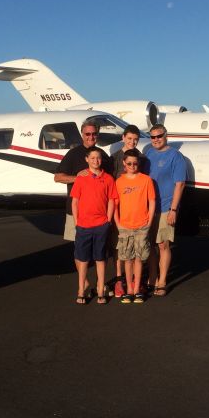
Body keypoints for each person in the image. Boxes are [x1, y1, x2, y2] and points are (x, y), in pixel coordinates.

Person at [54, 120, 113, 297]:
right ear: (82, 135)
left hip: (99, 214)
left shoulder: (101, 155)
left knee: (100, 252)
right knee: (80, 251)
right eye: (87, 134)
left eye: (94, 134)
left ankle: (100, 285)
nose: (91, 137)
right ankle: (85, 283)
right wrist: (77, 177)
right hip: (77, 211)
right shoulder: (73, 154)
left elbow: (110, 180)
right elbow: (58, 177)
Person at [70, 146, 118, 305]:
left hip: (101, 225)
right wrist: (77, 221)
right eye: (92, 158)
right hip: (83, 225)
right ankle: (81, 290)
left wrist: (108, 220)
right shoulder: (81, 178)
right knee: (83, 259)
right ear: (87, 159)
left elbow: (112, 199)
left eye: (98, 158)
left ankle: (100, 290)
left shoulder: (108, 178)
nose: (95, 161)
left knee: (100, 258)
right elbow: (75, 201)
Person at [145, 124, 186, 296]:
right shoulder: (148, 154)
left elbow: (180, 184)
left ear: (166, 135)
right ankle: (152, 276)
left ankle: (162, 281)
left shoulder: (176, 156)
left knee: (163, 244)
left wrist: (173, 209)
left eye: (159, 136)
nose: (156, 140)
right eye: (152, 137)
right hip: (148, 207)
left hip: (165, 207)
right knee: (151, 245)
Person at [109, 124, 147, 297]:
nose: (132, 142)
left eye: (135, 139)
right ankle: (119, 280)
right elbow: (110, 183)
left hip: (137, 210)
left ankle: (135, 282)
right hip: (120, 209)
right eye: (129, 138)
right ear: (123, 138)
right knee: (121, 247)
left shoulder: (141, 158)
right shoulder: (115, 157)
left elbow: (143, 180)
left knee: (138, 250)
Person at [114, 149, 156, 304]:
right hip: (125, 226)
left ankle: (137, 288)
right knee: (127, 259)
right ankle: (129, 289)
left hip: (142, 225)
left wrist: (149, 222)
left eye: (135, 163)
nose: (132, 166)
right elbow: (115, 204)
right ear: (124, 164)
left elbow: (151, 201)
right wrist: (118, 223)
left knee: (139, 258)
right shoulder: (119, 181)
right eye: (129, 163)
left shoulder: (146, 180)